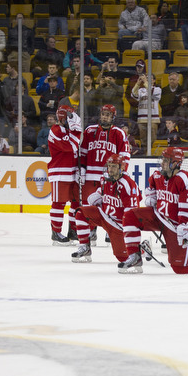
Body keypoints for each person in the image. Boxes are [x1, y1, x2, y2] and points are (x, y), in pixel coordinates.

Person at [123, 146, 188, 274]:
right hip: (159, 217)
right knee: (130, 216)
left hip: (177, 225)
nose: (162, 163)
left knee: (181, 269)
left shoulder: (186, 180)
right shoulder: (158, 175)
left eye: (166, 160)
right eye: (162, 159)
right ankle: (134, 256)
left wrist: (184, 226)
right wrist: (151, 197)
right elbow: (151, 185)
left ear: (176, 163)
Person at [76, 104, 131, 248]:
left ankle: (111, 229)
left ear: (113, 117)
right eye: (103, 114)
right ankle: (91, 230)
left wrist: (120, 175)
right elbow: (83, 152)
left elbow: (125, 156)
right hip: (89, 177)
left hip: (109, 177)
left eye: (108, 114)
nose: (104, 117)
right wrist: (81, 169)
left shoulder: (119, 133)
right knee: (89, 205)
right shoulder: (89, 131)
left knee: (110, 204)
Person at [72, 154, 141, 264]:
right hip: (104, 216)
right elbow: (103, 191)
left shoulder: (127, 184)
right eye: (109, 166)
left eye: (113, 166)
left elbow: (132, 211)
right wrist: (97, 195)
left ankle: (142, 250)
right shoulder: (105, 179)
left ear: (121, 167)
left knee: (122, 258)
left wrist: (127, 230)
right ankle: (84, 247)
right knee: (81, 212)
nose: (110, 169)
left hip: (118, 225)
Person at [47, 103, 81, 244]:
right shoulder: (55, 130)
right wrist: (77, 131)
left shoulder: (68, 130)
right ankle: (56, 233)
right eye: (70, 116)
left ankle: (73, 231)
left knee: (75, 203)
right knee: (59, 203)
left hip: (73, 172)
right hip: (60, 172)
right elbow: (72, 146)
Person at [131, 72, 161, 148]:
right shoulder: (141, 90)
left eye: (149, 78)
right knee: (143, 140)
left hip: (153, 119)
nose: (147, 80)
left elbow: (151, 92)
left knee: (153, 139)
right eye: (146, 78)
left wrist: (145, 82)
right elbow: (134, 95)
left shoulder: (158, 89)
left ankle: (152, 154)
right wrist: (137, 83)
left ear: (154, 80)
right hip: (142, 118)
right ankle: (144, 154)